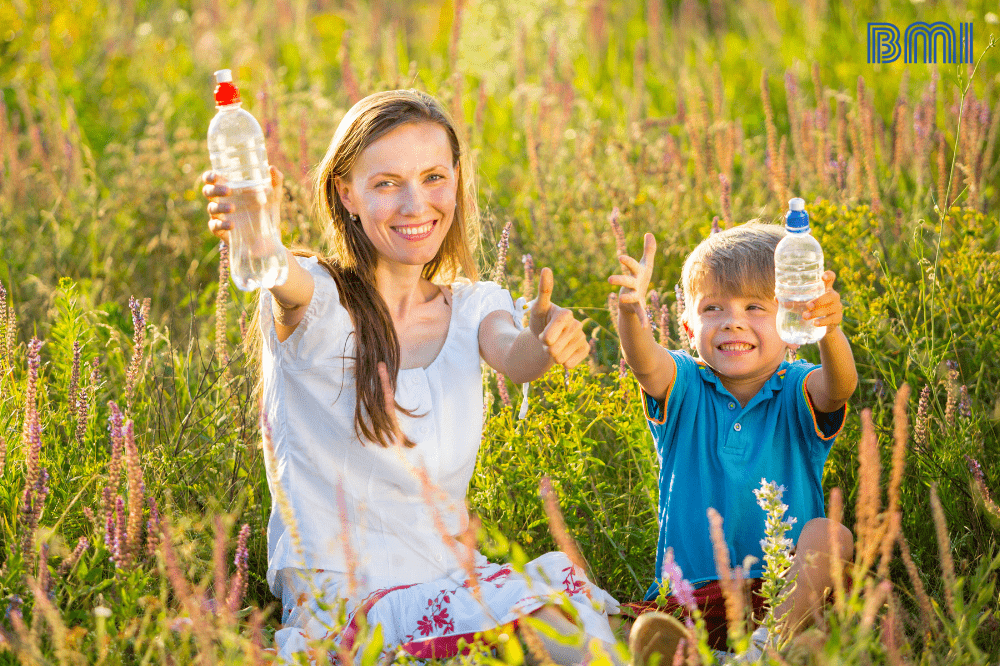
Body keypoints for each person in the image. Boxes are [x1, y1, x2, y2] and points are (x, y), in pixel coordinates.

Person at [203, 89, 624, 664]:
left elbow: (514, 352)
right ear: (345, 194)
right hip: (347, 598)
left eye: (433, 177)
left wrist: (546, 342)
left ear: (456, 180)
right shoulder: (319, 302)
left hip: (453, 575)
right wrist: (259, 234)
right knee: (549, 625)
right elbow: (279, 273)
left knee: (567, 620)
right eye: (386, 183)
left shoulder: (474, 306)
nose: (415, 203)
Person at [607, 222, 857, 663]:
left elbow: (839, 388)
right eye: (714, 308)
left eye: (755, 307)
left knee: (830, 536)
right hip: (692, 598)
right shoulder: (684, 385)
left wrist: (829, 332)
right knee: (618, 624)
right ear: (687, 324)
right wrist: (631, 313)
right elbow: (645, 364)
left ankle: (763, 651)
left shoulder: (799, 391)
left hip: (783, 592)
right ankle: (725, 655)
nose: (732, 321)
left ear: (791, 319)